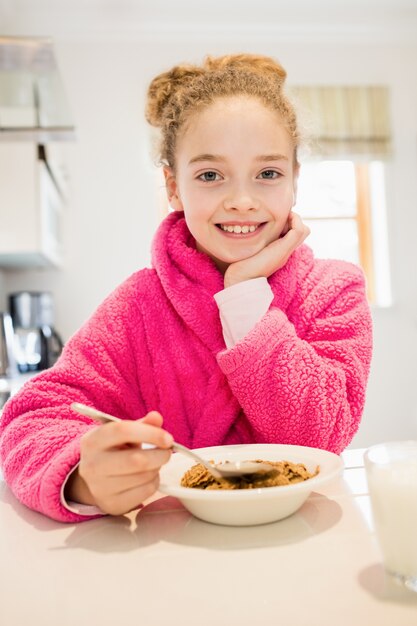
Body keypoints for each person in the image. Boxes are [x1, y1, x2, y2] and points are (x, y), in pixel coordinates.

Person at [0, 53, 373, 523]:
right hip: (168, 559)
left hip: (301, 545)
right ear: (174, 187)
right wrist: (83, 476)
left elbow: (318, 438)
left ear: (295, 181)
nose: (241, 200)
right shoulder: (138, 305)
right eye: (210, 176)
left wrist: (244, 296)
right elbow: (31, 418)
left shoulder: (334, 290)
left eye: (268, 174)